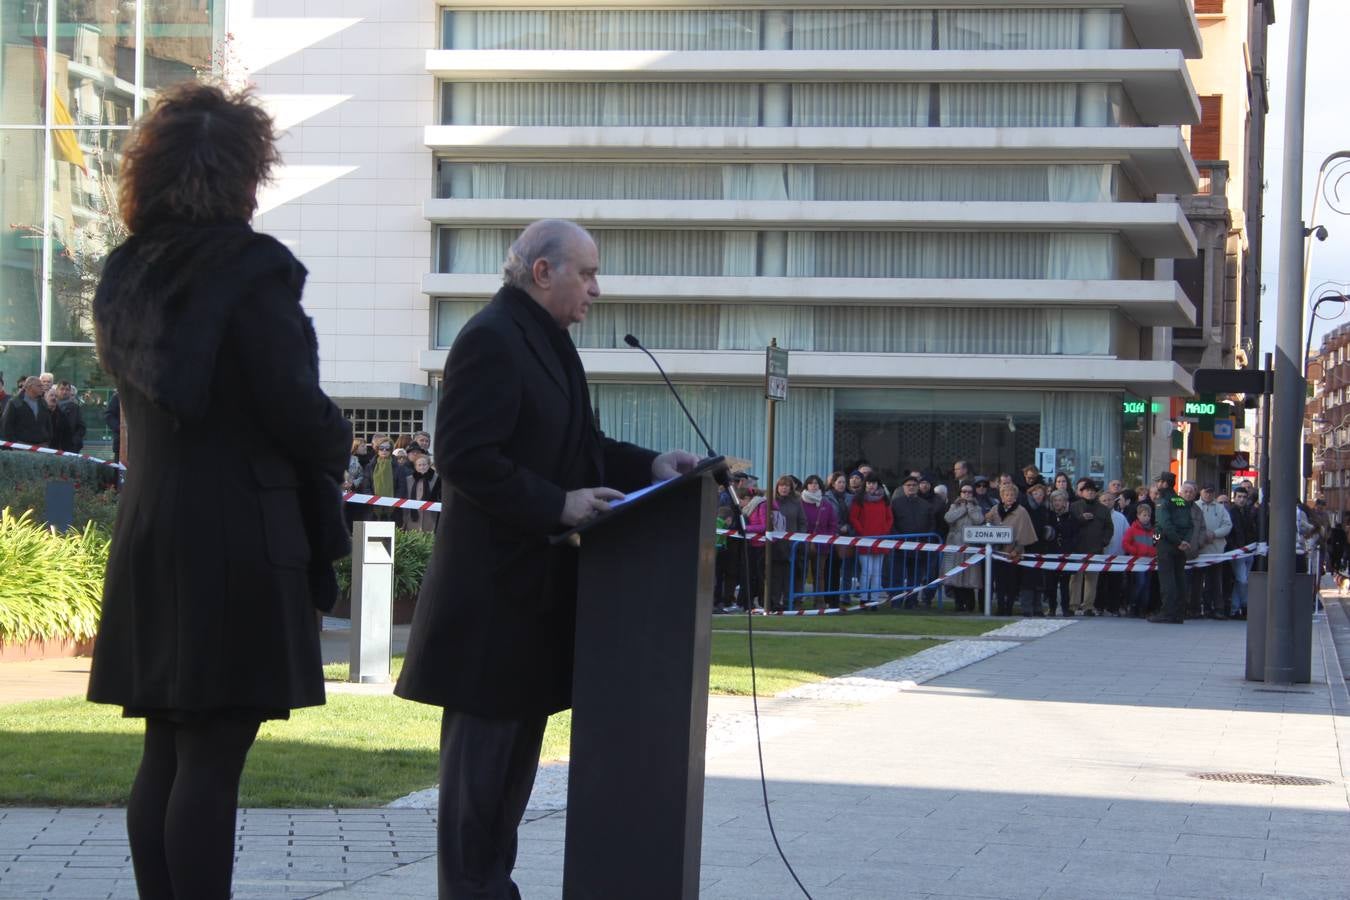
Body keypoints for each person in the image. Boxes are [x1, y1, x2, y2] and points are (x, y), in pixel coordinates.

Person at [85, 83, 352, 900]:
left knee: (166, 749)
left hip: (152, 528)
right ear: (246, 170)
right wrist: (336, 436)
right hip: (238, 534)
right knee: (212, 759)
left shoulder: (126, 273)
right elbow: (295, 410)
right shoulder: (250, 272)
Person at [392, 219, 698, 898]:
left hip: (529, 610)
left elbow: (579, 449)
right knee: (476, 804)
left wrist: (654, 465)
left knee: (503, 803)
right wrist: (556, 504)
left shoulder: (550, 344)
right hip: (489, 609)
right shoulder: (492, 340)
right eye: (586, 273)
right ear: (542, 272)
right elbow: (464, 457)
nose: (596, 287)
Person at [985, 483, 1037, 616]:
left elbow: (1025, 532)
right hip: (998, 553)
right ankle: (1000, 606)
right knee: (999, 582)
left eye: (1012, 495)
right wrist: (987, 518)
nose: (1009, 497)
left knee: (1012, 583)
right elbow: (987, 523)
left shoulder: (1021, 511)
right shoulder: (996, 509)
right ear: (1002, 496)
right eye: (1006, 495)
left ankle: (1009, 607)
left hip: (1014, 553)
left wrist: (1017, 549)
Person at [1149, 472, 1192, 624]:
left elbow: (1162, 525)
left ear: (1165, 483)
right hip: (1181, 546)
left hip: (1167, 544)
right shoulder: (1181, 500)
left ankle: (1167, 612)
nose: (1157, 486)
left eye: (1159, 482)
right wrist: (1185, 541)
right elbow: (1190, 524)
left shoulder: (1162, 501)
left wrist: (1156, 543)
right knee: (1180, 578)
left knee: (1167, 580)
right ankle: (1179, 613)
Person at [1068, 478, 1111, 615]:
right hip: (1077, 547)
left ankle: (1088, 606)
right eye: (1087, 491)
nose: (1090, 493)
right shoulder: (1074, 507)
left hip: (1095, 548)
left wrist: (1103, 541)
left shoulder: (1103, 509)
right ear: (1082, 492)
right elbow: (1069, 525)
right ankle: (1073, 605)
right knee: (1075, 578)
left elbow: (1109, 528)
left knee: (1092, 578)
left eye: (1092, 491)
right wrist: (1081, 519)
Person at [850, 472, 893, 606]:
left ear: (878, 484)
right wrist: (862, 531)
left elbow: (889, 518)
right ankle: (863, 598)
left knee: (877, 572)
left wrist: (884, 531)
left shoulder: (884, 499)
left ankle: (874, 599)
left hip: (880, 539)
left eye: (873, 483)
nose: (871, 486)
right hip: (865, 540)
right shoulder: (859, 499)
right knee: (866, 571)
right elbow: (853, 517)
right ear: (865, 484)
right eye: (869, 483)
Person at [944, 482, 987, 612]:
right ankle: (958, 603)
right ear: (960, 493)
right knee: (956, 575)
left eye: (969, 492)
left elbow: (979, 520)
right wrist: (962, 508)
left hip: (971, 547)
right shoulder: (954, 506)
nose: (966, 494)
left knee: (970, 576)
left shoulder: (977, 507)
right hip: (955, 545)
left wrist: (970, 507)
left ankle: (970, 604)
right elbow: (948, 518)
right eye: (964, 491)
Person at [800, 474, 838, 608]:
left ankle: (819, 602)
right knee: (801, 574)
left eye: (816, 483)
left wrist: (825, 539)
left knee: (819, 575)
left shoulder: (826, 504)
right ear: (806, 486)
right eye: (811, 483)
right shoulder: (800, 502)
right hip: (802, 544)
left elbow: (833, 525)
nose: (813, 486)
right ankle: (797, 601)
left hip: (821, 546)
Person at [1194, 484, 1232, 618]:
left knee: (1215, 581)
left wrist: (1215, 534)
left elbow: (1228, 525)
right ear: (1201, 492)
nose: (1208, 495)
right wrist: (1202, 536)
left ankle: (1217, 608)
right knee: (1197, 582)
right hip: (1199, 551)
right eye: (1206, 492)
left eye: (1211, 492)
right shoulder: (1194, 506)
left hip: (1216, 551)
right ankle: (1196, 609)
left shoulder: (1220, 508)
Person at [1044, 489, 1078, 616]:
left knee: (1065, 584)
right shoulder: (1048, 516)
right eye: (1055, 500)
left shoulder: (1070, 516)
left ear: (1065, 502)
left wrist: (1070, 547)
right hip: (1051, 553)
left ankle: (1065, 608)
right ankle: (1052, 608)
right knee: (1050, 583)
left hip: (1065, 553)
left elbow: (1075, 535)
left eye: (1060, 500)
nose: (1057, 503)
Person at [1226, 487, 1258, 618]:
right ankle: (1244, 606)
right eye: (1239, 497)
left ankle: (1235, 608)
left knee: (1242, 581)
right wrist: (1234, 547)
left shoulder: (1248, 512)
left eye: (1244, 497)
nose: (1242, 499)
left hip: (1248, 550)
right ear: (1234, 498)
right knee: (1242, 580)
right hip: (1237, 551)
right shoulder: (1231, 512)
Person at [1123, 503, 1157, 618]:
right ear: (1138, 516)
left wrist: (1152, 552)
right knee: (1140, 583)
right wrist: (1137, 551)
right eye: (1144, 515)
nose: (1146, 518)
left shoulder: (1154, 531)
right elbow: (1126, 544)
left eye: (1148, 515)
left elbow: (1158, 545)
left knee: (1147, 585)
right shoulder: (1132, 529)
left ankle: (1143, 608)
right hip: (1137, 562)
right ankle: (1133, 605)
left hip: (1150, 562)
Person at [0, 374, 51, 446]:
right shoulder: (15, 403)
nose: (42, 388)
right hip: (22, 446)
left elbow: (48, 423)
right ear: (30, 387)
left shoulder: (43, 403)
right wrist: (15, 443)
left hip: (41, 446)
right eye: (39, 386)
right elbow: (6, 425)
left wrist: (47, 440)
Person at [401, 451, 440, 533]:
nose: (422, 467)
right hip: (413, 517)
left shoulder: (437, 479)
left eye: (424, 465)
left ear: (429, 465)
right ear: (415, 467)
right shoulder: (409, 480)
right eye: (419, 465)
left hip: (431, 517)